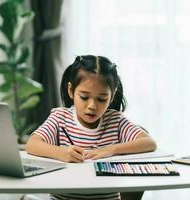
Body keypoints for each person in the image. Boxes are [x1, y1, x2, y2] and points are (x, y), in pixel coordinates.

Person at [25, 55, 157, 200]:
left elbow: (149, 143)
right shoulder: (60, 118)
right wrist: (60, 152)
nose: (92, 106)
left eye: (102, 99)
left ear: (112, 96)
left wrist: (111, 149)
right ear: (71, 91)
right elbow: (32, 144)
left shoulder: (115, 121)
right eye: (84, 97)